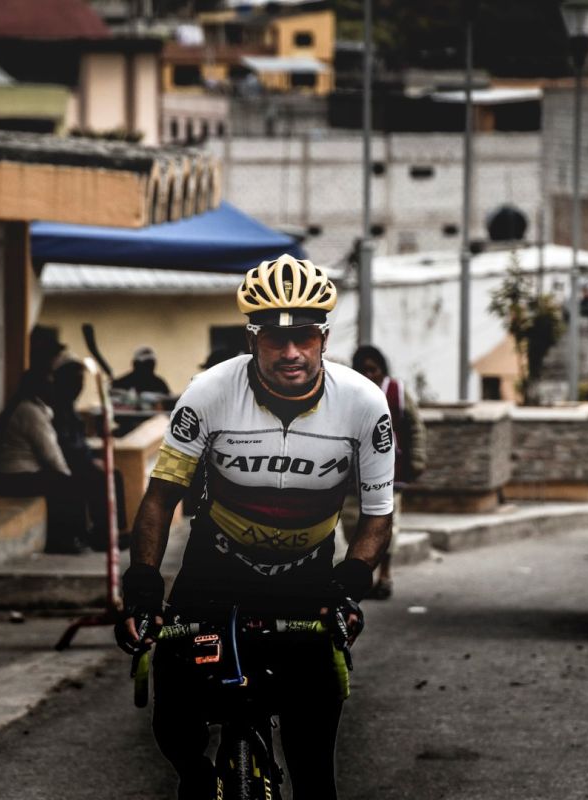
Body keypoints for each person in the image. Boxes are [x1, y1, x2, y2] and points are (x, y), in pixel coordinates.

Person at [116, 254, 395, 800]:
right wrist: (143, 586)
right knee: (173, 719)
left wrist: (351, 583)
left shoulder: (364, 404)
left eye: (304, 337)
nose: (291, 352)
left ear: (324, 339)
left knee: (314, 767)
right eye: (274, 338)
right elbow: (160, 497)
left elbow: (378, 513)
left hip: (306, 579)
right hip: (215, 571)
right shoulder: (209, 392)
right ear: (252, 340)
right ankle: (199, 778)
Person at [0, 327, 89, 555]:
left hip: (15, 473)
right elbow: (50, 452)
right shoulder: (29, 412)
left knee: (65, 484)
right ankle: (64, 541)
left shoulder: (33, 408)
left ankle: (71, 538)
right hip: (12, 477)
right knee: (67, 486)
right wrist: (67, 476)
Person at [344, 345, 427, 599]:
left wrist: (417, 460)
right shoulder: (348, 392)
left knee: (386, 523)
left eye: (373, 369)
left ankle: (385, 575)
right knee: (352, 524)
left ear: (383, 370)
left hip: (390, 472)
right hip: (353, 474)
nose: (369, 375)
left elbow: (415, 427)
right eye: (363, 370)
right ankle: (363, 576)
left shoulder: (397, 392)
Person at [50, 356, 117, 551]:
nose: (80, 386)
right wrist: (89, 461)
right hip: (67, 463)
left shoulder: (69, 406)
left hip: (79, 459)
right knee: (99, 478)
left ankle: (113, 532)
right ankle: (101, 536)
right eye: (76, 380)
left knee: (113, 475)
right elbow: (66, 445)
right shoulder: (58, 408)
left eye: (81, 381)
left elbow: (80, 441)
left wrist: (92, 458)